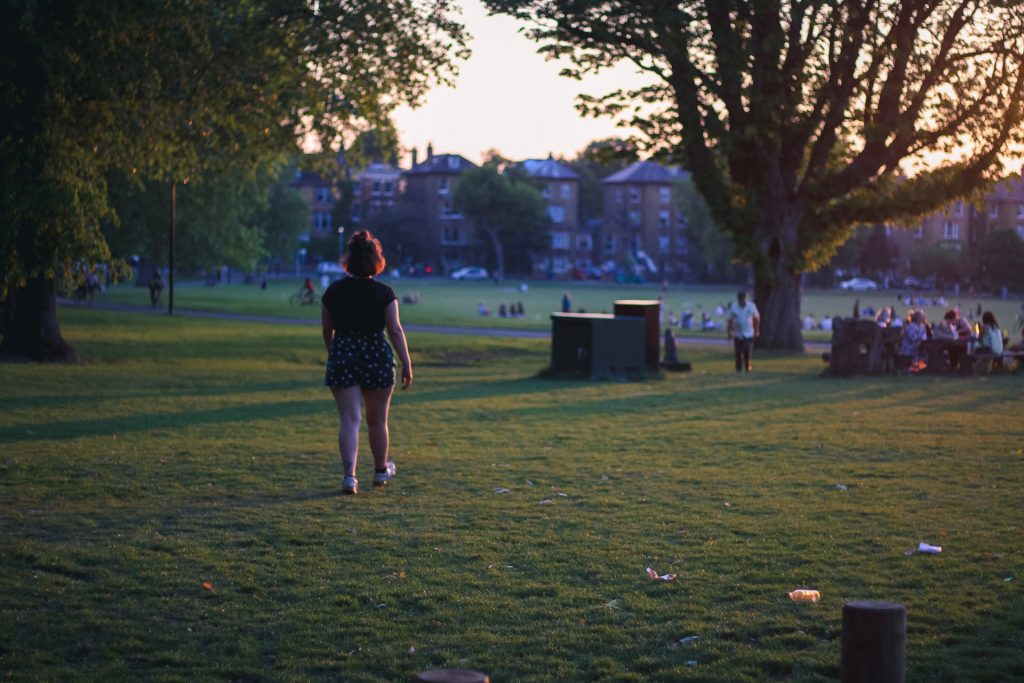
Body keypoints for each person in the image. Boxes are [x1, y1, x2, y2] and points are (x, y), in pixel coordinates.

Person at [321, 231, 412, 495]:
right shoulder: (384, 293)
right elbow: (394, 330)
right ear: (376, 260)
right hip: (376, 357)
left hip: (344, 355)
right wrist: (406, 362)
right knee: (377, 420)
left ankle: (349, 477)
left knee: (349, 420)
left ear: (348, 260)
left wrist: (335, 353)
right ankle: (380, 471)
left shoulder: (333, 292)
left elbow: (327, 331)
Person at [726, 290, 760, 372]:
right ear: (738, 299)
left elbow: (756, 318)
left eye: (744, 299)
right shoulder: (733, 307)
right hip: (738, 333)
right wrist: (730, 332)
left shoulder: (751, 306)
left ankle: (748, 366)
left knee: (747, 349)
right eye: (741, 300)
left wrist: (756, 330)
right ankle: (739, 368)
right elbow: (730, 320)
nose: (743, 302)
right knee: (738, 351)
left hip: (749, 333)